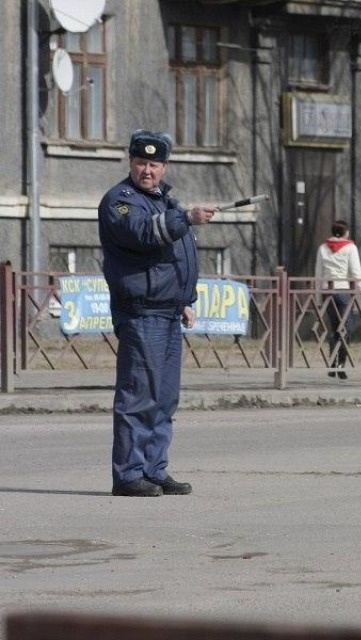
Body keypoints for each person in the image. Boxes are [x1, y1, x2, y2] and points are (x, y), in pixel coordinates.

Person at [98, 129, 217, 497]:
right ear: (130, 162)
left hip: (166, 312)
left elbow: (172, 258)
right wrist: (187, 218)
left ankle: (154, 468)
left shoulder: (165, 202)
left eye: (153, 164)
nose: (146, 170)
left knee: (164, 397)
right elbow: (143, 235)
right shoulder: (121, 201)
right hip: (141, 313)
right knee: (138, 395)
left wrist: (185, 299)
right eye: (140, 162)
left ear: (164, 167)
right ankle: (129, 474)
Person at [315, 219, 361, 379]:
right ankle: (340, 365)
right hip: (343, 291)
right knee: (346, 328)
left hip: (327, 291)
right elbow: (356, 272)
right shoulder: (350, 248)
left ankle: (332, 364)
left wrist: (318, 298)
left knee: (333, 329)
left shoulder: (323, 248)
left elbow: (318, 273)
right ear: (345, 232)